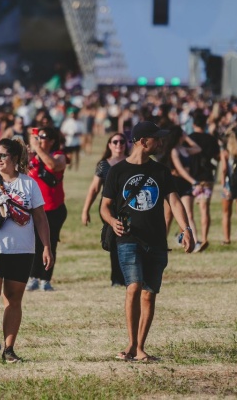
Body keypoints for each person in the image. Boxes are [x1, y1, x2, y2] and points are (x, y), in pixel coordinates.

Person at [100, 121, 195, 363]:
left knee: (149, 294)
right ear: (143, 141)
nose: (161, 142)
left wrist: (186, 229)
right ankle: (131, 344)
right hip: (128, 238)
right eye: (157, 138)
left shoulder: (161, 171)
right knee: (133, 287)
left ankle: (140, 348)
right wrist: (112, 221)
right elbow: (105, 206)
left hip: (156, 240)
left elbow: (174, 201)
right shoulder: (117, 171)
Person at [0, 138, 53, 363]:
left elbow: (40, 217)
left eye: (2, 155)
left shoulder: (29, 184)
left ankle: (9, 348)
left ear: (14, 158)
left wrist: (46, 246)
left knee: (14, 299)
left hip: (22, 249)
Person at [81, 133, 129, 287]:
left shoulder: (131, 162)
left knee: (128, 241)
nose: (119, 144)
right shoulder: (103, 165)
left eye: (122, 141)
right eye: (115, 142)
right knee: (115, 242)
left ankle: (130, 277)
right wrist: (85, 210)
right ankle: (117, 279)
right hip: (109, 208)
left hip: (129, 207)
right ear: (109, 145)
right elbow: (94, 189)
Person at [26, 126, 67, 292]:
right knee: (33, 244)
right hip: (34, 209)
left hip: (54, 209)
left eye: (43, 137)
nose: (39, 140)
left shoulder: (59, 155)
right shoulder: (33, 157)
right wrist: (28, 154)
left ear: (51, 141)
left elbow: (54, 166)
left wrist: (37, 148)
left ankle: (45, 279)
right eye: (38, 137)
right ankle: (33, 277)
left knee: (49, 244)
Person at [160, 126, 202, 245]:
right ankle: (161, 243)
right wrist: (194, 181)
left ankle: (195, 242)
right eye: (183, 133)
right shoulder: (174, 151)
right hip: (174, 184)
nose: (185, 134)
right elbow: (180, 169)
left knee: (189, 214)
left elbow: (198, 149)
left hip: (185, 184)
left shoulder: (184, 149)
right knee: (168, 217)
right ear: (178, 135)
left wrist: (187, 138)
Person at [188, 113, 220, 251]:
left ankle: (193, 239)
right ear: (205, 124)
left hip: (190, 178)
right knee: (204, 209)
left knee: (188, 212)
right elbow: (217, 157)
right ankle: (205, 237)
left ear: (193, 124)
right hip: (207, 177)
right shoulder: (211, 139)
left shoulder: (189, 138)